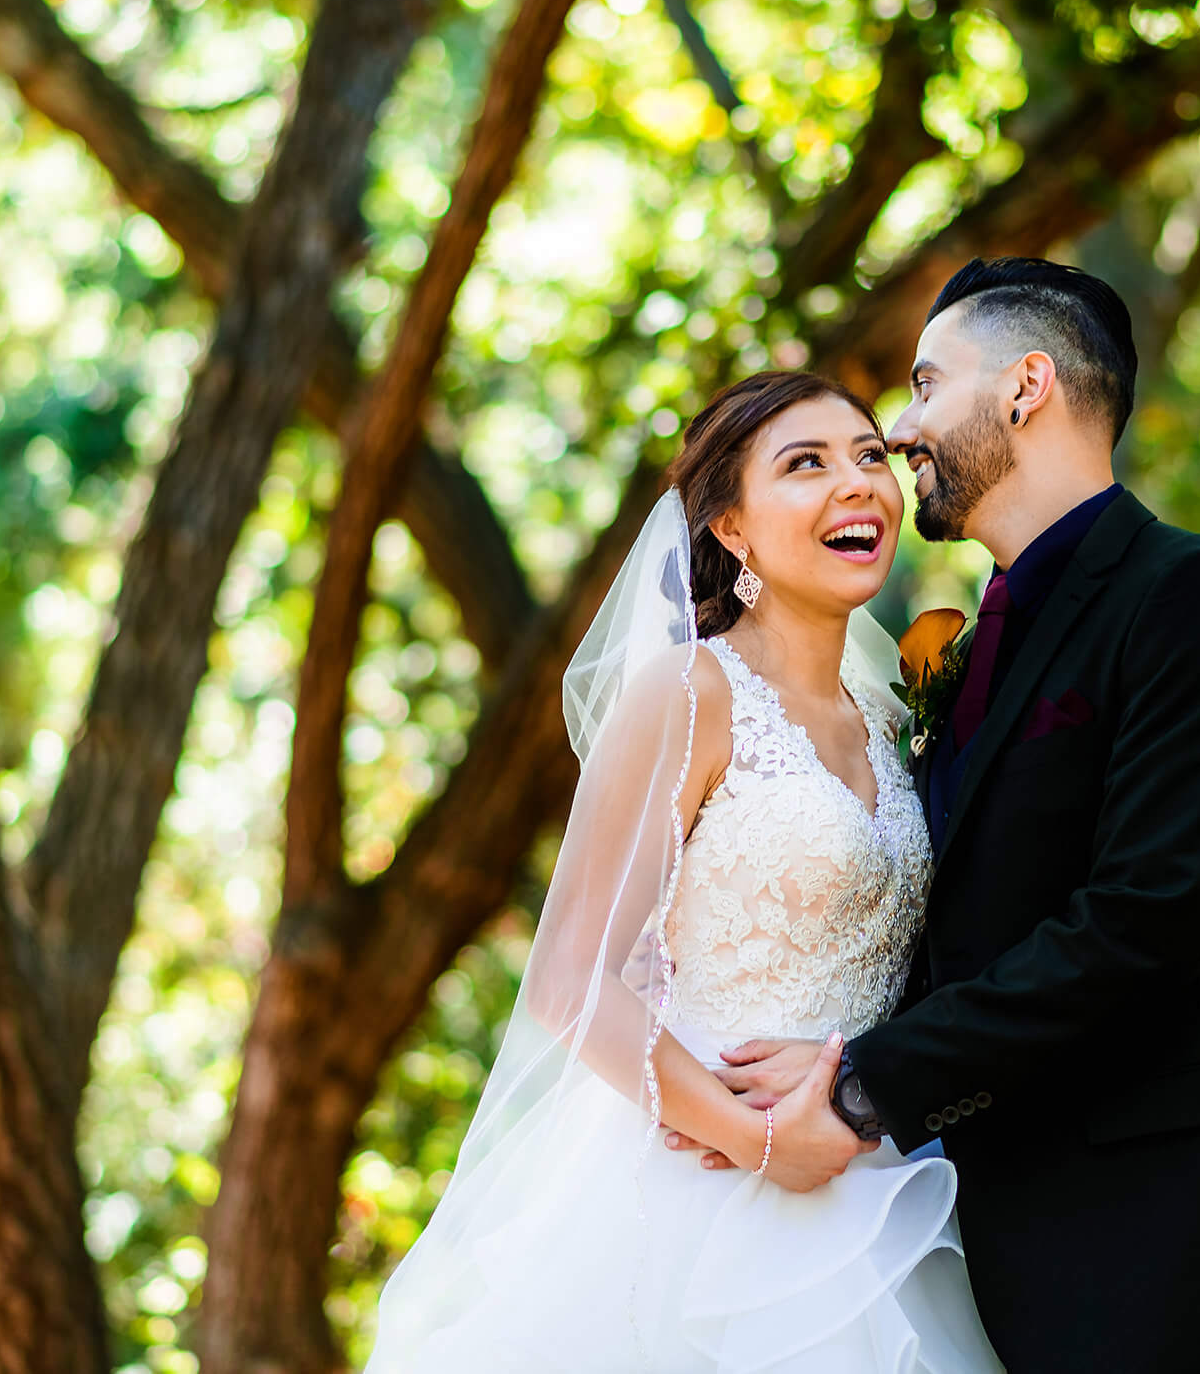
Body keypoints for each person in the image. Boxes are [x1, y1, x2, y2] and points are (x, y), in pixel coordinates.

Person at [697, 259, 1200, 1373]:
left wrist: (858, 1086)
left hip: (1148, 1249)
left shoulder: (1193, 600)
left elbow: (1140, 925)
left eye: (924, 385)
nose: (901, 431)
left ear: (1025, 387)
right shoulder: (955, 650)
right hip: (963, 1243)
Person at [364, 370, 1002, 1372]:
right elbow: (569, 980)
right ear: (733, 532)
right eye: (805, 464)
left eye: (868, 455)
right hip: (695, 1189)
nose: (857, 484)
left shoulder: (891, 718)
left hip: (870, 1181)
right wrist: (759, 1146)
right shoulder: (689, 692)